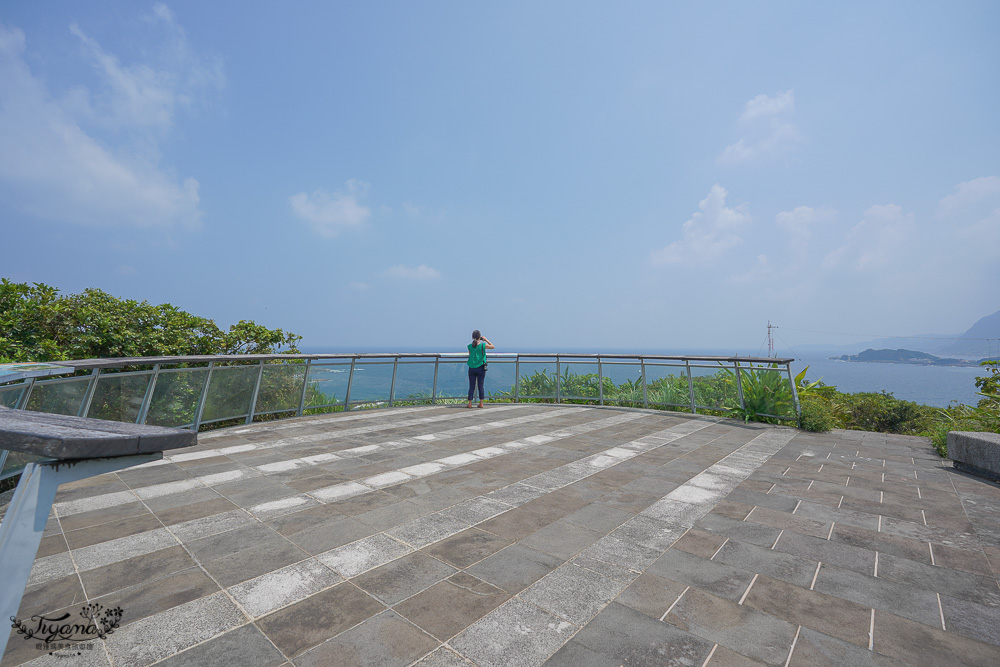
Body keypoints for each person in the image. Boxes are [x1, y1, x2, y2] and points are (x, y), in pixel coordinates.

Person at [466, 330, 494, 408]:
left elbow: (470, 355)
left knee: (471, 386)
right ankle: (481, 403)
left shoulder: (469, 346)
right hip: (481, 368)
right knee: (480, 386)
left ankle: (470, 403)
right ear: (480, 337)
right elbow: (492, 346)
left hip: (471, 368)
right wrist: (485, 339)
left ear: (472, 337)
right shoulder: (482, 345)